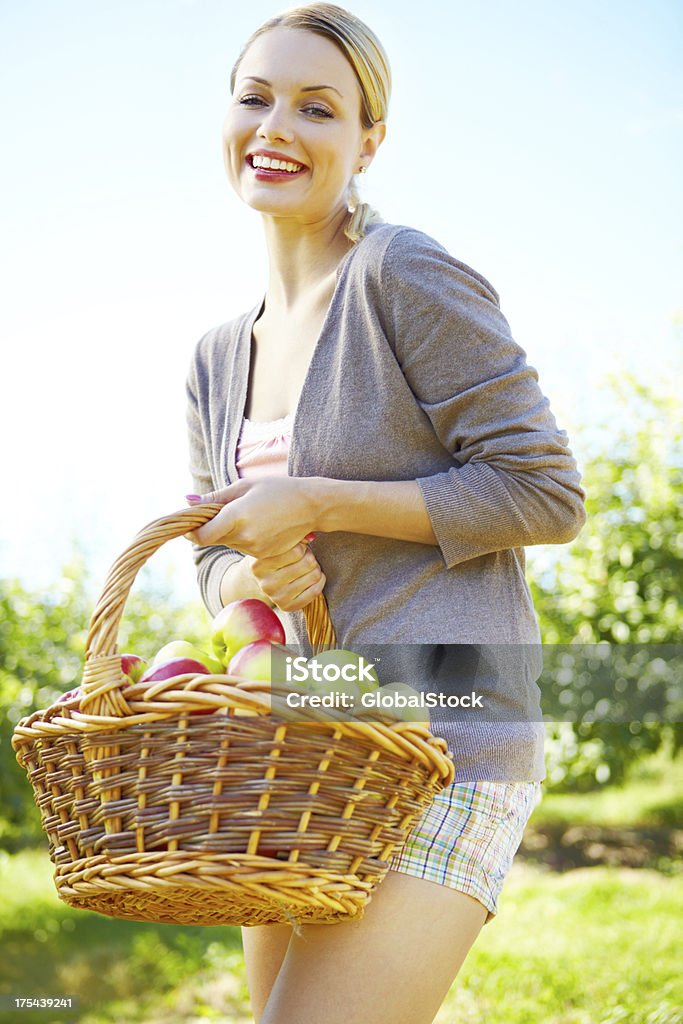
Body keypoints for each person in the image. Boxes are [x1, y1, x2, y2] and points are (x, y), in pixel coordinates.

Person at [184, 4, 587, 1022]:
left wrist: (317, 500)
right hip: (296, 741)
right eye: (254, 97)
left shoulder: (401, 274)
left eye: (317, 107)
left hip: (443, 728)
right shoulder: (214, 358)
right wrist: (249, 576)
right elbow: (211, 565)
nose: (276, 125)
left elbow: (544, 490)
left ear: (367, 140)